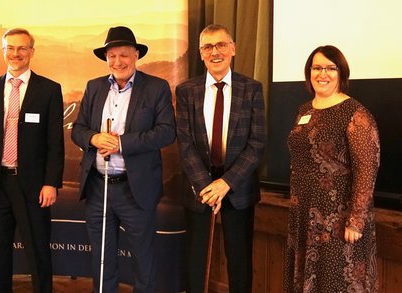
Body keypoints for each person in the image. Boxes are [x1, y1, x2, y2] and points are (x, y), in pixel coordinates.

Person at [71, 26, 176, 292]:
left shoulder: (156, 88)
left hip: (135, 189)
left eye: (124, 55)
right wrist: (94, 139)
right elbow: (78, 129)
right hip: (98, 188)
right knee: (102, 259)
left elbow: (166, 132)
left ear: (136, 55)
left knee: (143, 260)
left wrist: (121, 143)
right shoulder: (94, 87)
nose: (117, 62)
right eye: (112, 56)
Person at [0, 28, 64, 293]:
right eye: (10, 48)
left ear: (32, 52)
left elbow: (54, 143)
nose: (16, 54)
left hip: (33, 187)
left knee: (38, 252)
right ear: (3, 51)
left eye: (22, 48)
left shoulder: (48, 90)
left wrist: (51, 183)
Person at [175, 24, 266, 293]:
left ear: (233, 49)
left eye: (221, 45)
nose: (215, 52)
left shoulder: (252, 89)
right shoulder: (185, 91)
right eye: (208, 47)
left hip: (237, 189)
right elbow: (185, 143)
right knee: (196, 261)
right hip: (199, 188)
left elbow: (257, 142)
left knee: (239, 262)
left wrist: (226, 183)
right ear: (201, 53)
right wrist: (207, 186)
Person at [284, 45, 379, 292]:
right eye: (316, 67)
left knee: (334, 283)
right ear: (309, 72)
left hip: (338, 221)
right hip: (304, 215)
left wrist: (356, 221)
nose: (322, 74)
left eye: (330, 68)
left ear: (341, 73)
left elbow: (367, 168)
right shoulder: (304, 110)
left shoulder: (355, 113)